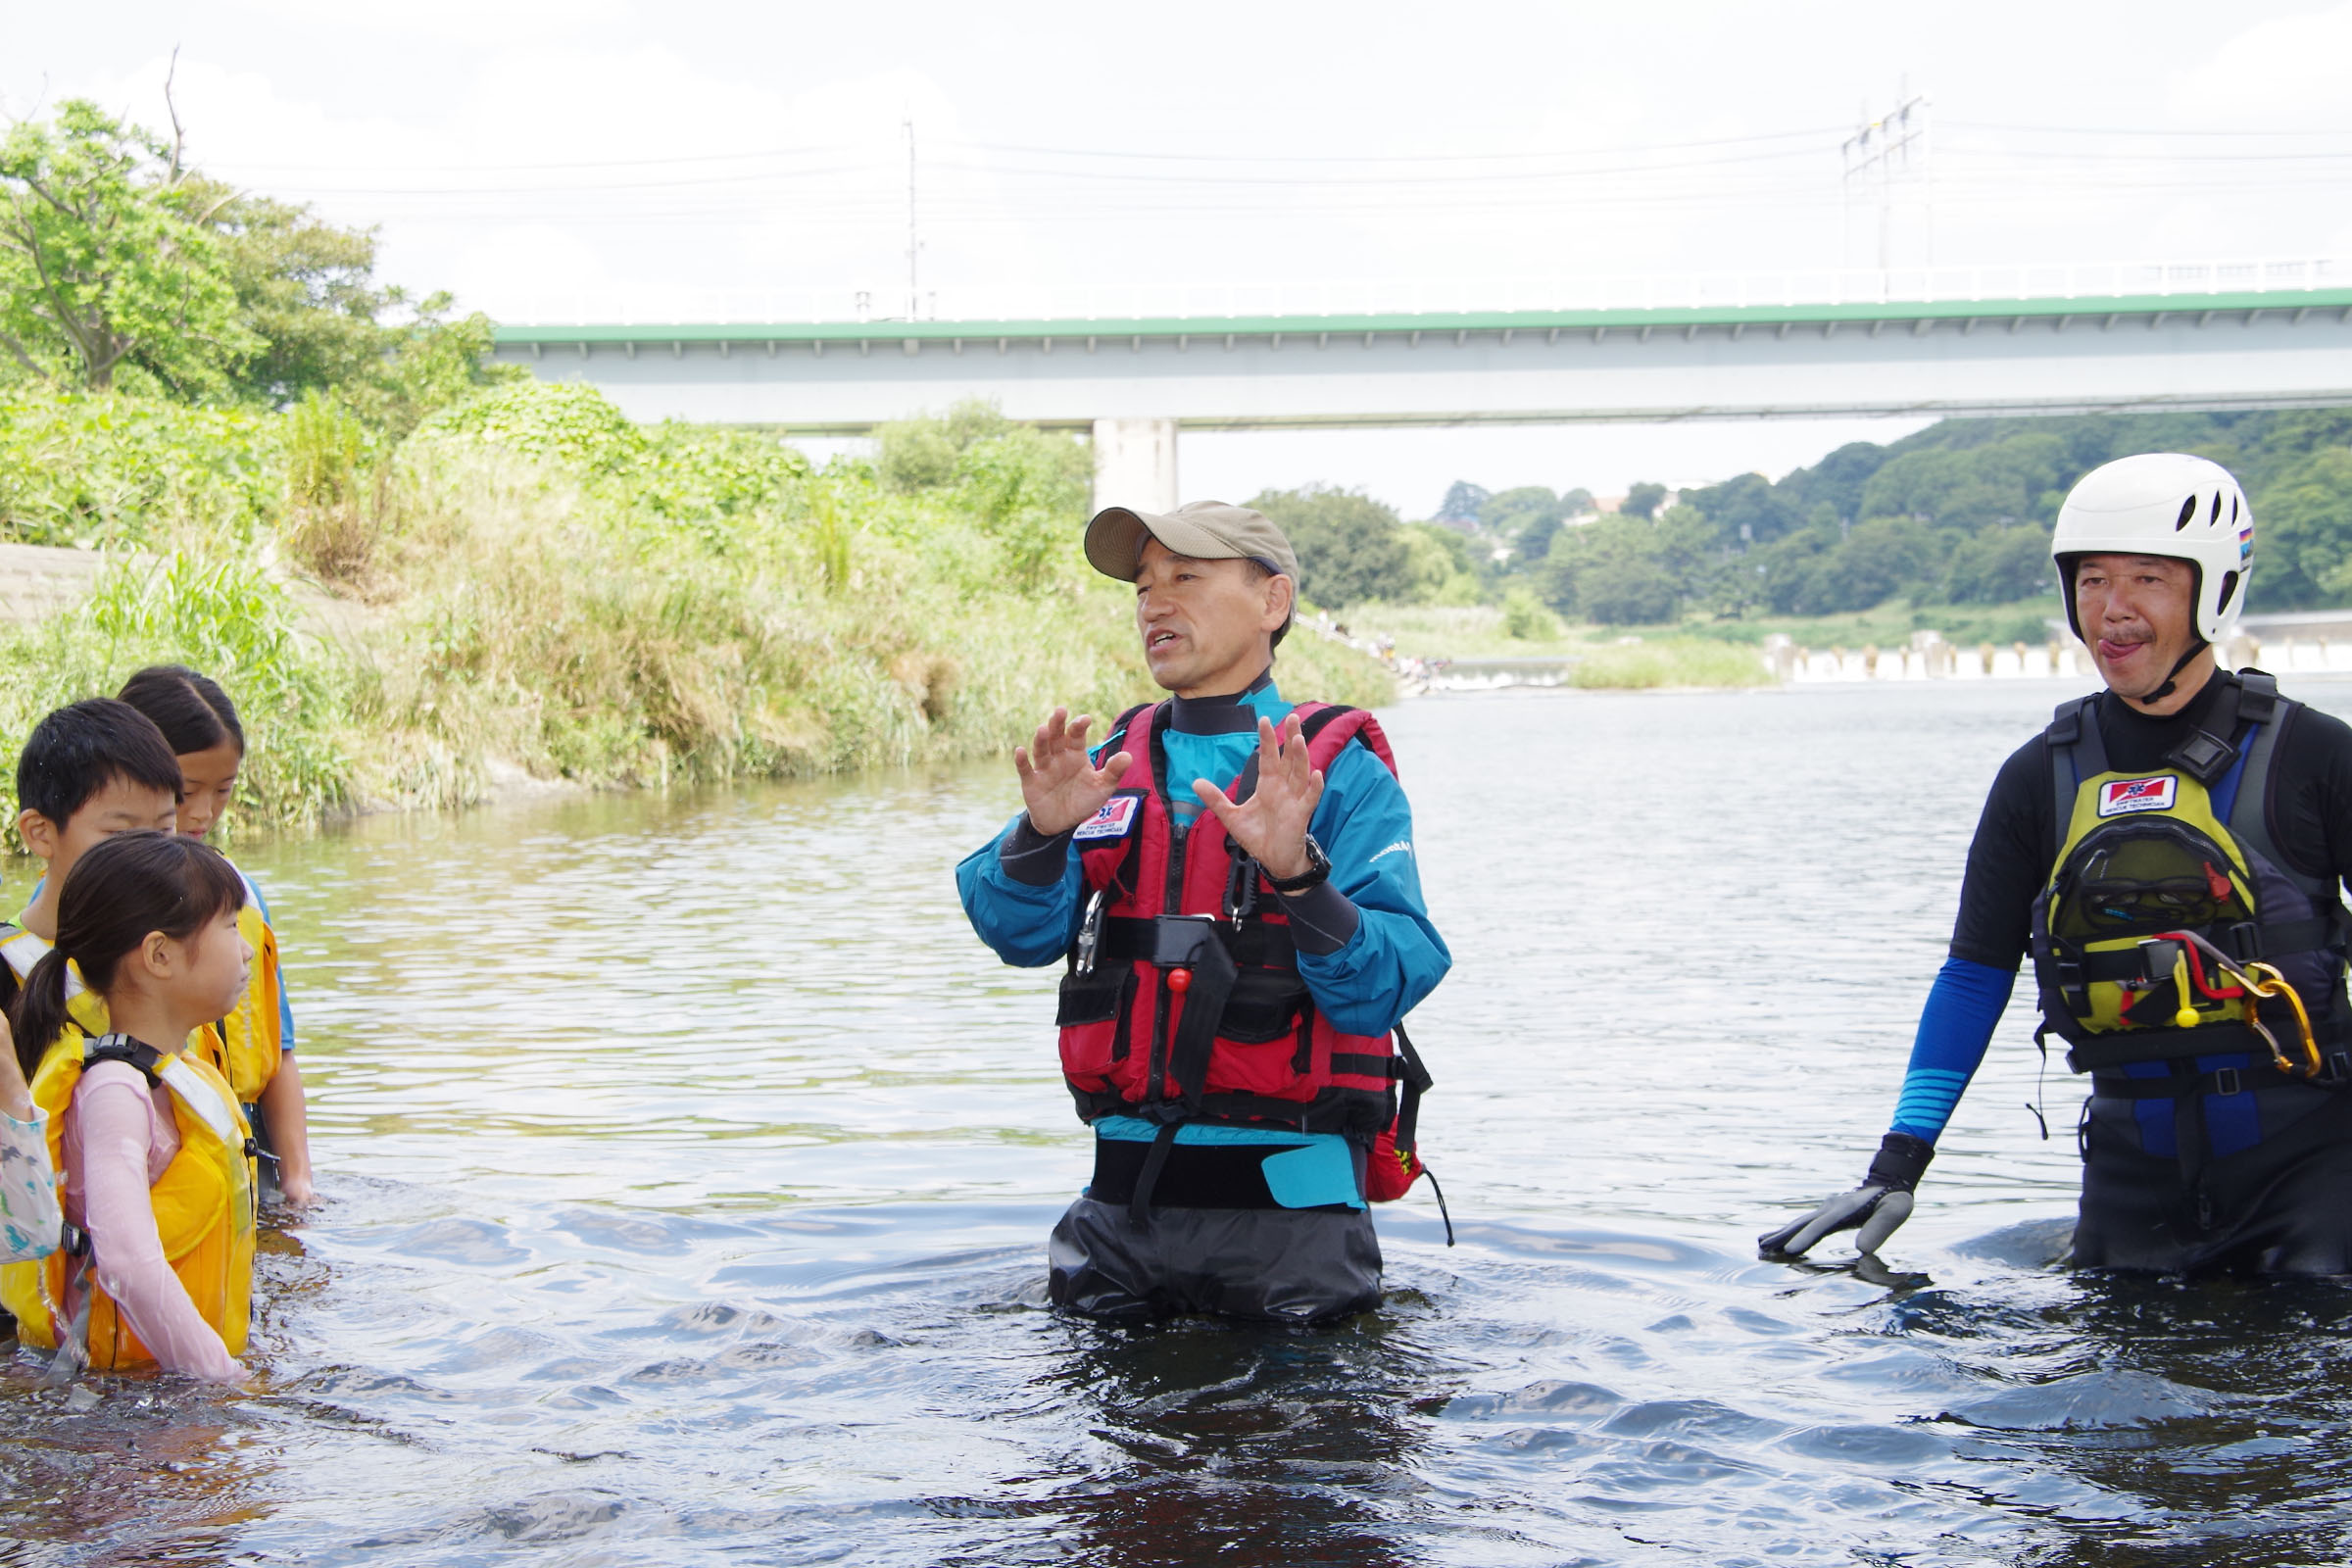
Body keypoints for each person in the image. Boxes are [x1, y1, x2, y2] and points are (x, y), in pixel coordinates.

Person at [1760, 453, 2352, 1273]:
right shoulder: (2039, 776)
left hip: (2313, 1178)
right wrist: (1897, 1165)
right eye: (2092, 581)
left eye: (2147, 579)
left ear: (2213, 590)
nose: (2113, 611)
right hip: (2128, 1185)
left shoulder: (2317, 757)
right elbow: (1975, 972)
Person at [956, 499, 1450, 1322]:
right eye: (1144, 585)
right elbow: (1017, 933)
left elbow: (1384, 984)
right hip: (1115, 1221)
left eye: (1186, 576)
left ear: (1273, 603)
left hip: (1292, 1230)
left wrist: (1297, 876)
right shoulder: (1110, 767)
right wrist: (1041, 836)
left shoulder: (1334, 771)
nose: (1155, 601)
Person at [0, 830, 257, 1381]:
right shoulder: (116, 1090)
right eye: (231, 926)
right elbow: (127, 1263)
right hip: (120, 1412)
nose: (245, 948)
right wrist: (223, 1379)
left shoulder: (177, 1076)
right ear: (159, 954)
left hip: (161, 1386)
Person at [117, 666, 314, 1207]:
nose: (203, 813)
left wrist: (299, 1180)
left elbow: (280, 1052)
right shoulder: (104, 902)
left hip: (244, 1151)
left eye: (223, 791)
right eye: (186, 793)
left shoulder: (242, 896)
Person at [0, 699, 185, 1005]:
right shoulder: (8, 969)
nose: (150, 854)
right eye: (120, 834)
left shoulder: (189, 951)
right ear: (40, 833)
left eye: (164, 830)